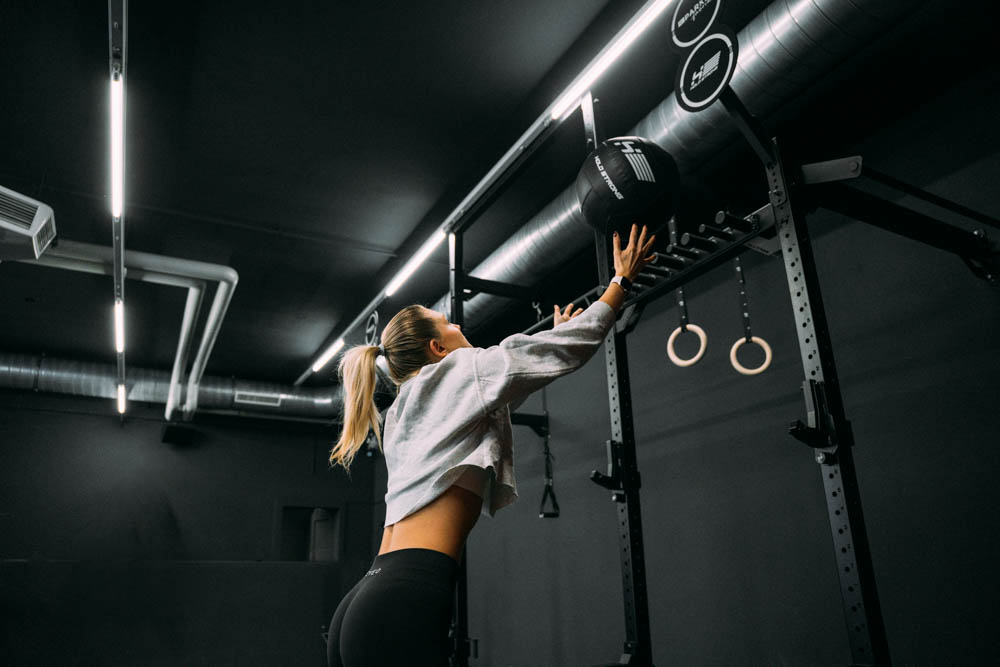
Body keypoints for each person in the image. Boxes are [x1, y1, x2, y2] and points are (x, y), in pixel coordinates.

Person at [326, 224, 657, 667]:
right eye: (448, 324)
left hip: (368, 596)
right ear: (438, 347)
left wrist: (548, 344)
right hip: (406, 596)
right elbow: (574, 348)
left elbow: (495, 399)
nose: (459, 325)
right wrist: (620, 282)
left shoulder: (406, 406)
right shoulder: (462, 368)